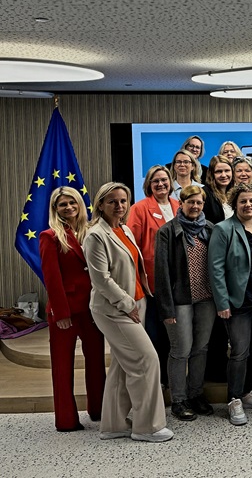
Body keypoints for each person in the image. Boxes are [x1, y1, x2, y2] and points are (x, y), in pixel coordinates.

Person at [83, 182, 172, 442]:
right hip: (114, 309)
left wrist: (140, 300)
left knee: (123, 366)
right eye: (112, 201)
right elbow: (101, 279)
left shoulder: (123, 229)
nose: (119, 206)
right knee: (147, 360)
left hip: (137, 303)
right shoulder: (95, 235)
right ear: (100, 204)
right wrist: (128, 304)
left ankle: (114, 425)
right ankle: (148, 427)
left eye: (123, 201)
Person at [208, 183, 252, 426]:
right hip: (238, 301)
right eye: (243, 202)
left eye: (251, 201)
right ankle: (233, 399)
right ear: (234, 204)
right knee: (239, 351)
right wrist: (222, 301)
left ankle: (248, 392)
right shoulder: (223, 229)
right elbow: (215, 269)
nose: (248, 205)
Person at [39, 187, 105, 432]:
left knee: (97, 362)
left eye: (71, 203)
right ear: (55, 209)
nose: (68, 208)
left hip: (92, 308)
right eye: (62, 204)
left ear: (79, 204)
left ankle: (98, 410)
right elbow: (51, 278)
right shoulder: (50, 236)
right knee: (62, 367)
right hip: (65, 311)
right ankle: (66, 420)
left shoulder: (92, 232)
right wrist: (61, 314)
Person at [154, 185, 216, 421]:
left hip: (206, 300)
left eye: (199, 203)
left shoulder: (210, 229)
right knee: (181, 350)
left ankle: (196, 393)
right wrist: (166, 308)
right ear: (181, 203)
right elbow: (161, 273)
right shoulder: (167, 232)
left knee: (201, 348)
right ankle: (179, 400)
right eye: (191, 202)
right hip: (179, 301)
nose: (195, 207)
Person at [128, 165, 180, 382]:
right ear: (148, 185)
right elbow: (132, 247)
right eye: (155, 181)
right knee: (155, 333)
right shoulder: (139, 209)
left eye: (164, 180)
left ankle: (170, 378)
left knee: (174, 333)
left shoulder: (179, 205)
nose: (160, 184)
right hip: (153, 280)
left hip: (178, 280)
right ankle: (155, 380)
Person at [202, 155, 234, 224]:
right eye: (219, 171)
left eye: (227, 171)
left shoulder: (235, 193)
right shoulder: (204, 194)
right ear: (211, 174)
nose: (224, 175)